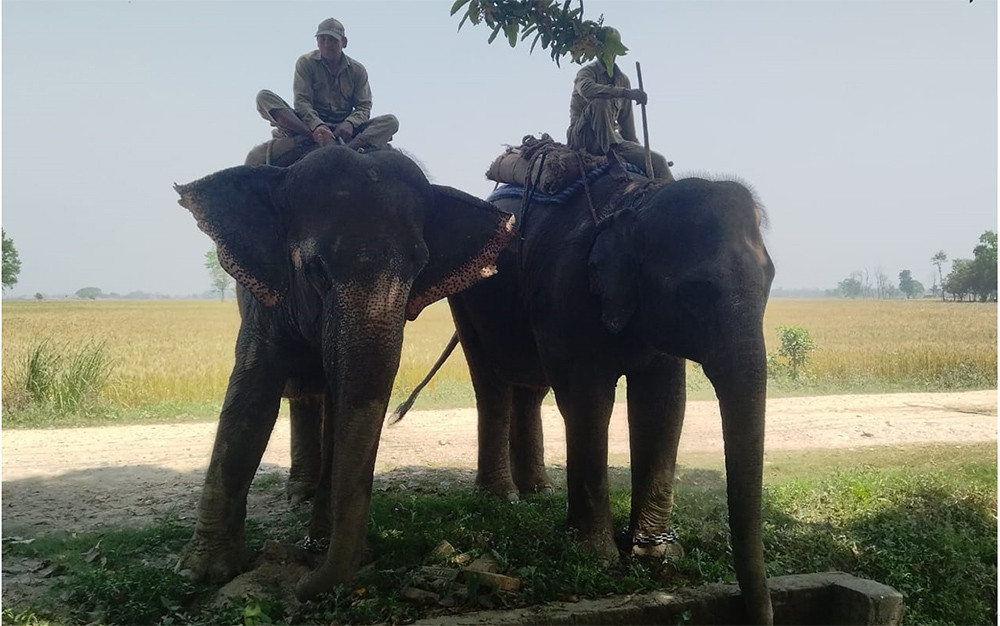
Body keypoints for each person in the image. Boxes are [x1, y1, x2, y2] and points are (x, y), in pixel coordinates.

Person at [248, 18, 398, 165]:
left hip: (344, 129)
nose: (327, 44)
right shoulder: (306, 62)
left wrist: (349, 123)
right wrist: (317, 126)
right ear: (317, 42)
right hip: (308, 124)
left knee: (391, 121)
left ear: (343, 43)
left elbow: (364, 106)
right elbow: (302, 102)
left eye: (332, 40)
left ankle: (348, 151)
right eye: (322, 39)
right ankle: (315, 137)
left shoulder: (357, 70)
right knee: (264, 97)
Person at [566, 47, 672, 181]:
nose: (604, 53)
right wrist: (625, 93)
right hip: (583, 136)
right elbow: (587, 89)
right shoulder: (586, 72)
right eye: (601, 49)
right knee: (600, 102)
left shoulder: (623, 79)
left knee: (658, 161)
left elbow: (628, 128)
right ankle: (611, 158)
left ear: (616, 51)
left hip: (615, 140)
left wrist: (642, 154)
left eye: (609, 49)